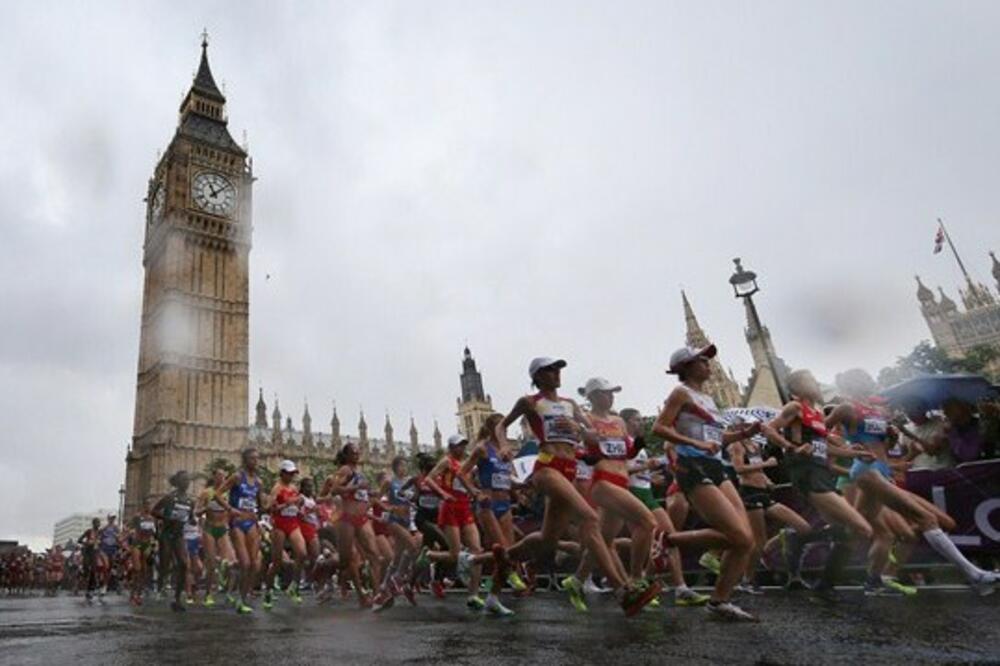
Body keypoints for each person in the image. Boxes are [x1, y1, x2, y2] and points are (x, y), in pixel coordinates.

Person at [496, 357, 659, 616]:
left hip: (569, 469)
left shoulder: (570, 404)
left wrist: (589, 435)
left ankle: (506, 556)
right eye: (550, 370)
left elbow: (589, 431)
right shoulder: (529, 402)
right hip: (547, 467)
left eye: (559, 369)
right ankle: (623, 591)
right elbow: (501, 425)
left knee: (548, 539)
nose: (557, 373)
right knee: (590, 518)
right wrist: (504, 445)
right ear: (537, 376)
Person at [832, 369, 997, 596]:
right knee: (926, 518)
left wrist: (891, 438)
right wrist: (848, 450)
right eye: (862, 378)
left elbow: (884, 448)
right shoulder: (846, 408)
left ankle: (823, 551)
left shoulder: (875, 410)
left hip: (883, 470)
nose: (869, 381)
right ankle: (975, 576)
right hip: (866, 471)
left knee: (863, 528)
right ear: (850, 385)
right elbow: (819, 435)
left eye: (867, 377)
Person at [653, 345, 760, 621]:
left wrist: (744, 433)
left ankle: (719, 601)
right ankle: (667, 540)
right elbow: (659, 428)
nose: (708, 364)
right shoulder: (681, 393)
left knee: (745, 540)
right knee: (741, 536)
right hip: (693, 467)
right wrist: (694, 443)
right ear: (687, 366)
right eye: (702, 360)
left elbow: (716, 440)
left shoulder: (709, 399)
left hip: (715, 467)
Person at [763, 369, 875, 597]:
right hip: (807, 474)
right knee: (863, 528)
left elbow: (822, 447)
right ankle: (796, 540)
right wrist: (792, 447)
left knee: (844, 533)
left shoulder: (817, 414)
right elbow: (768, 429)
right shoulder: (795, 407)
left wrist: (852, 453)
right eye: (810, 380)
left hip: (821, 471)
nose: (815, 383)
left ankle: (824, 585)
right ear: (797, 388)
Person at [728, 423, 813, 594]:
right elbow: (739, 469)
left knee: (803, 527)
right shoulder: (736, 445)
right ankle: (746, 580)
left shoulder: (755, 445)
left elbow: (758, 468)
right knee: (758, 540)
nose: (749, 426)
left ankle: (773, 551)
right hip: (749, 494)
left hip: (764, 494)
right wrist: (766, 464)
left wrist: (767, 481)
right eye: (744, 424)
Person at [463, 414, 528, 593]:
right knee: (503, 550)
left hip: (505, 505)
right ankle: (513, 578)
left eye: (506, 428)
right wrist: (475, 493)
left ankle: (492, 596)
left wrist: (523, 485)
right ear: (493, 430)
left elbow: (508, 479)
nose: (504, 431)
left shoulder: (507, 452)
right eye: (502, 427)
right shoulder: (482, 449)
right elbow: (463, 473)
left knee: (510, 552)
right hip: (487, 506)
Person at [321, 442, 384, 609]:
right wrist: (356, 486)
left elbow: (361, 493)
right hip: (346, 519)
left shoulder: (360, 472)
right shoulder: (345, 470)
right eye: (353, 453)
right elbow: (335, 490)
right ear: (347, 455)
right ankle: (325, 567)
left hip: (361, 518)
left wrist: (372, 493)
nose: (357, 455)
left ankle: (376, 596)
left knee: (374, 556)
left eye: (358, 452)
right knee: (345, 560)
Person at [220, 448, 265, 614]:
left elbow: (261, 505)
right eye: (253, 458)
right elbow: (217, 495)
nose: (256, 461)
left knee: (254, 564)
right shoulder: (237, 477)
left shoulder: (259, 482)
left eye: (257, 458)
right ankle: (238, 594)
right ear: (245, 460)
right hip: (237, 523)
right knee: (245, 563)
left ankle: (242, 598)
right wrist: (230, 509)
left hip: (251, 523)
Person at [263, 459, 308, 609]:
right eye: (289, 473)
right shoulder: (276, 489)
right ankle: (268, 591)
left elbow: (296, 505)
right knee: (277, 563)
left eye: (293, 473)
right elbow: (269, 508)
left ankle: (294, 586)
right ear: (282, 473)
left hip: (293, 523)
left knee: (302, 554)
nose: (291, 476)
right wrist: (286, 504)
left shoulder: (294, 488)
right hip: (279, 525)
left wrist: (299, 507)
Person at [152, 470, 195, 612]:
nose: (187, 483)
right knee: (165, 563)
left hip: (179, 535)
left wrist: (192, 520)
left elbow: (190, 517)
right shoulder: (169, 498)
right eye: (184, 480)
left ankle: (177, 598)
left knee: (183, 563)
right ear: (178, 482)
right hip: (166, 534)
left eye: (188, 480)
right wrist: (166, 518)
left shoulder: (190, 501)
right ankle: (160, 586)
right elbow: (154, 511)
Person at [195, 467, 236, 607]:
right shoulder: (207, 493)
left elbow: (233, 510)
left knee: (231, 562)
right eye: (219, 476)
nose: (222, 478)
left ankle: (229, 592)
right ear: (214, 478)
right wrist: (206, 509)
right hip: (210, 528)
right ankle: (208, 594)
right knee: (211, 563)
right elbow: (196, 512)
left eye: (224, 476)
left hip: (223, 529)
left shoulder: (228, 494)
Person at [128, 501, 157, 605]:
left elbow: (154, 534)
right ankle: (132, 594)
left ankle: (139, 594)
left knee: (144, 570)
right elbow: (129, 527)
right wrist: (129, 534)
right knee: (137, 569)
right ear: (143, 506)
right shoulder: (137, 517)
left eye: (150, 505)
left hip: (147, 545)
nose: (149, 507)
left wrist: (154, 544)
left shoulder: (153, 519)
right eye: (147, 505)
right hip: (137, 544)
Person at [77, 518, 101, 604]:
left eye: (99, 523)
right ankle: (83, 578)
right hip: (87, 552)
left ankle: (91, 589)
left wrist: (99, 543)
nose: (98, 525)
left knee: (94, 571)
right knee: (86, 568)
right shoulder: (89, 531)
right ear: (93, 524)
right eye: (96, 523)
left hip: (95, 553)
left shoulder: (100, 533)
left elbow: (103, 541)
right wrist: (86, 543)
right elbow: (79, 540)